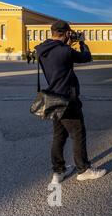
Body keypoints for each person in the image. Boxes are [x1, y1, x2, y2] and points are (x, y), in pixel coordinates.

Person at [35, 20, 106, 184]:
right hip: (67, 99)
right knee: (78, 134)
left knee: (58, 136)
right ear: (67, 33)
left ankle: (58, 172)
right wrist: (82, 43)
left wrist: (68, 42)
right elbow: (86, 57)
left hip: (52, 98)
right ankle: (84, 170)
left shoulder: (42, 50)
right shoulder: (65, 51)